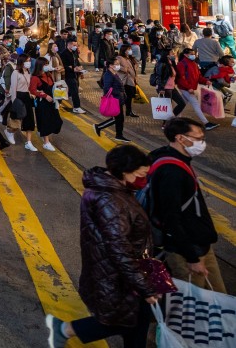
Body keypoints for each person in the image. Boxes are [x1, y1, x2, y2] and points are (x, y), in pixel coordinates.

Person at [45, 145, 158, 348]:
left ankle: (63, 330)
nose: (144, 179)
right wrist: (144, 287)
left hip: (119, 272)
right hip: (117, 275)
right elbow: (119, 248)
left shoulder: (113, 189)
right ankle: (63, 330)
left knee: (132, 322)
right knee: (127, 321)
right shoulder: (109, 199)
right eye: (141, 174)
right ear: (125, 171)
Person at [147, 117, 225, 292]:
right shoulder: (171, 172)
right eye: (198, 139)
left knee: (219, 300)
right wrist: (192, 258)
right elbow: (171, 218)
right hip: (186, 251)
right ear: (180, 138)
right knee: (192, 309)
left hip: (200, 244)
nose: (202, 143)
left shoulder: (174, 158)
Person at [28, 57, 64, 152]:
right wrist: (44, 95)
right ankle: (46, 142)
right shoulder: (35, 77)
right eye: (45, 64)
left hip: (52, 101)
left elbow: (53, 86)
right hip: (42, 103)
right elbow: (32, 90)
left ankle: (44, 136)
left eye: (48, 64)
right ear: (40, 66)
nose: (47, 66)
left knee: (57, 121)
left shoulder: (49, 75)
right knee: (45, 122)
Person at [175, 47, 213, 129]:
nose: (193, 55)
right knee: (195, 104)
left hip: (190, 88)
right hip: (186, 88)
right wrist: (189, 88)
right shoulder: (182, 64)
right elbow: (181, 78)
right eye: (191, 54)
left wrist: (205, 81)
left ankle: (175, 120)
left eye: (194, 54)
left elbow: (198, 76)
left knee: (182, 103)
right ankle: (206, 123)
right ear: (185, 55)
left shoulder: (194, 64)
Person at [95, 60, 128, 142]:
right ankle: (99, 127)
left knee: (119, 118)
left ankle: (118, 135)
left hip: (118, 99)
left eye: (118, 63)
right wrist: (118, 93)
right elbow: (106, 88)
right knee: (117, 118)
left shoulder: (114, 74)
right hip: (115, 99)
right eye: (116, 64)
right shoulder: (108, 75)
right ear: (110, 65)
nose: (118, 65)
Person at [60, 38, 87, 114]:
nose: (75, 46)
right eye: (74, 45)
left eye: (76, 45)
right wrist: (73, 69)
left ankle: (60, 102)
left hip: (75, 74)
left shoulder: (74, 52)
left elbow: (76, 61)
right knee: (75, 91)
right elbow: (64, 66)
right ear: (69, 44)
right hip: (69, 75)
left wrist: (80, 67)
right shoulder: (64, 54)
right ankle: (76, 107)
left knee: (72, 90)